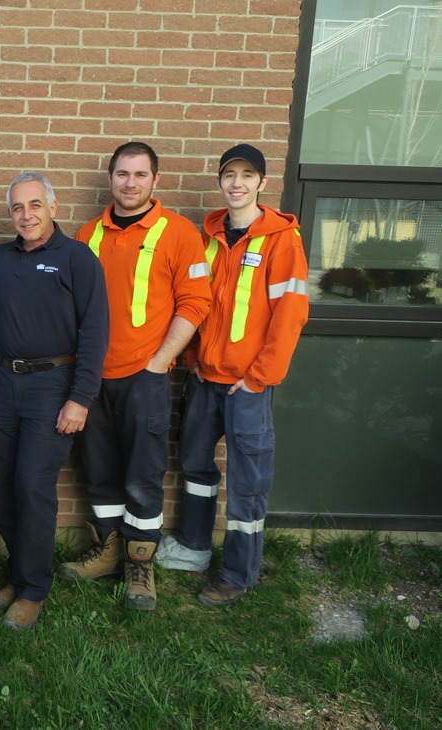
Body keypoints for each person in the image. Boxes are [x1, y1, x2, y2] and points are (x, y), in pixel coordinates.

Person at [61, 142, 212, 611]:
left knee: (143, 478)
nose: (130, 183)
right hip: (93, 379)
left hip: (146, 377)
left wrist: (161, 358)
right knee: (100, 471)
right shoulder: (87, 235)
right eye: (122, 174)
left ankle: (140, 566)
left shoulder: (180, 233)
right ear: (110, 179)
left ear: (155, 180)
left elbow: (196, 301)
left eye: (140, 175)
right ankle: (108, 551)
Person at [156, 144, 309, 607]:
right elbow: (197, 303)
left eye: (247, 175)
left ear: (263, 183)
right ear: (220, 181)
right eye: (229, 175)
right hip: (205, 378)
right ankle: (195, 547)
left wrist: (259, 377)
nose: (237, 183)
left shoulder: (281, 239)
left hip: (248, 385)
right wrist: (193, 362)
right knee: (197, 466)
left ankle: (240, 574)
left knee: (248, 481)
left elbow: (291, 316)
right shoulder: (208, 236)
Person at [0, 172, 110, 631]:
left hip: (53, 386)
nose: (25, 215)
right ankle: (20, 570)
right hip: (2, 382)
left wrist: (80, 398)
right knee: (3, 486)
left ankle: (33, 589)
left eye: (34, 205)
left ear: (52, 207)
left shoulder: (77, 259)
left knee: (32, 486)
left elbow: (95, 331)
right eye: (17, 208)